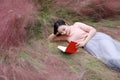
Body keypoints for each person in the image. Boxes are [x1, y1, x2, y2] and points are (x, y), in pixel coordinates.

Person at [48, 20, 120, 70]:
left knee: (114, 56)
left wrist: (84, 42)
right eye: (61, 32)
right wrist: (55, 32)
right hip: (91, 47)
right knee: (108, 59)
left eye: (64, 29)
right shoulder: (66, 37)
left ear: (66, 24)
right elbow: (50, 39)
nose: (64, 32)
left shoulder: (76, 25)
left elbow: (93, 30)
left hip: (97, 38)